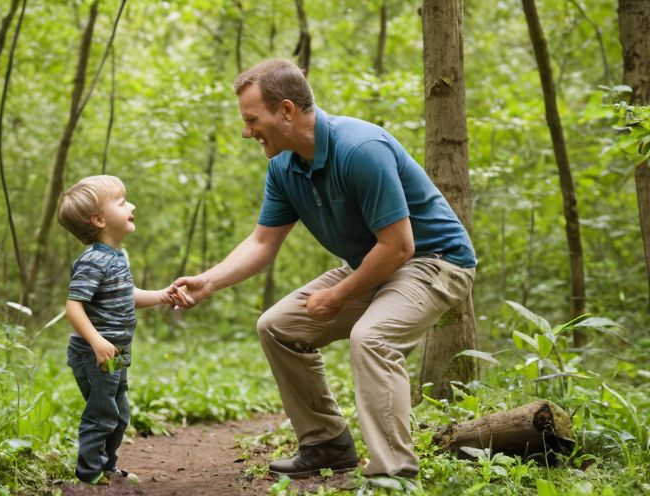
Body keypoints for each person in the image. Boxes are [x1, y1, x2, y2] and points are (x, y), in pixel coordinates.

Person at [173, 59, 476, 479]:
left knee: (372, 338)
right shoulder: (283, 166)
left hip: (435, 262)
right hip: (374, 264)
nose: (246, 131)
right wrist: (208, 281)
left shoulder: (360, 150)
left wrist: (338, 295)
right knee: (277, 326)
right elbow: (263, 242)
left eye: (251, 119)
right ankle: (326, 443)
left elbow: (399, 246)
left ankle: (395, 473)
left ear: (285, 110)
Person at [58, 175, 185, 484]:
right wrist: (97, 342)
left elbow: (126, 295)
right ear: (99, 219)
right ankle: (89, 476)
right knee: (102, 412)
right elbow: (73, 307)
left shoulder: (117, 257)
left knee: (119, 411)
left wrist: (161, 296)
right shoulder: (93, 261)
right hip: (94, 352)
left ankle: (108, 469)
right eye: (122, 202)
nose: (132, 205)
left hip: (116, 351)